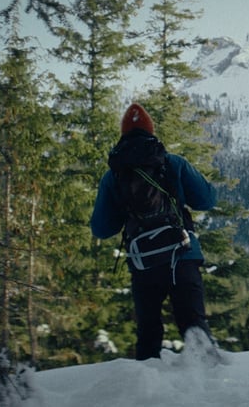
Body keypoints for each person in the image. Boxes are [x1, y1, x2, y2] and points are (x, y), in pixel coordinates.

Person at [90, 103, 218, 360]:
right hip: (182, 254)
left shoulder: (113, 176)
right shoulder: (173, 163)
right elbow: (206, 200)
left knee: (148, 334)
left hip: (143, 262)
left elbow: (102, 228)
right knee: (194, 326)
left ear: (123, 134)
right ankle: (209, 385)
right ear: (151, 130)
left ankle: (148, 389)